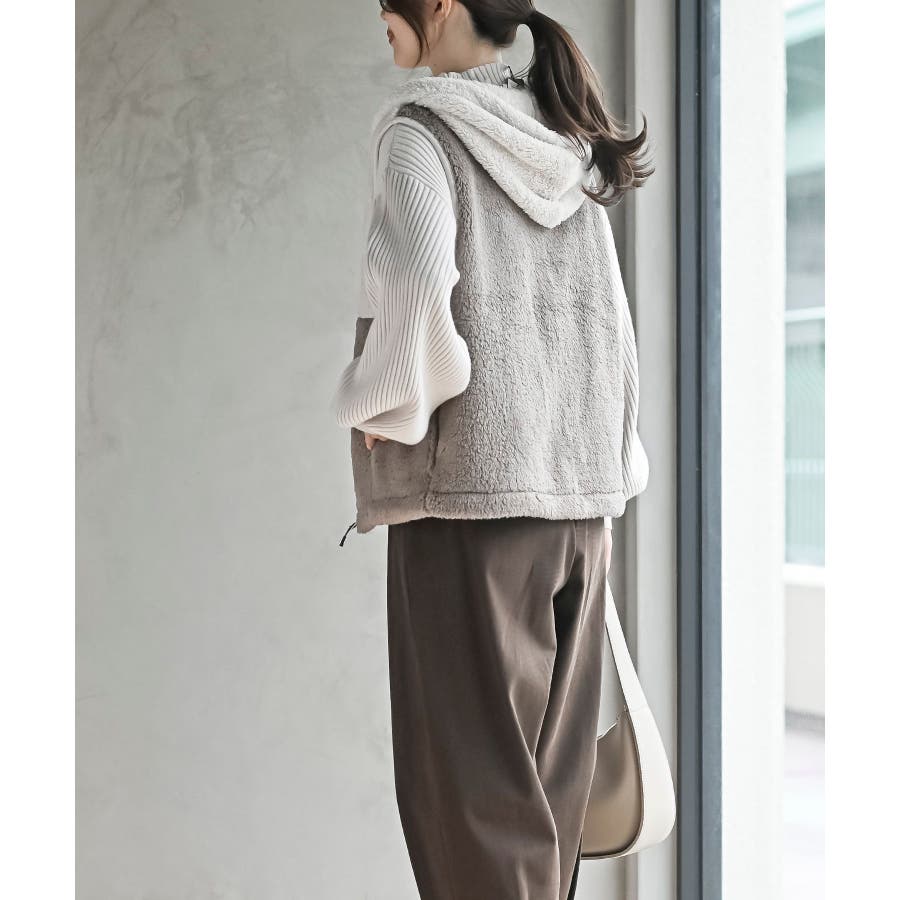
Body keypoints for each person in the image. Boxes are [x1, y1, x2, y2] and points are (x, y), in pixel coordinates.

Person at [330, 2, 654, 897]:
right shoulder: (562, 137)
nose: (380, 17)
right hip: (580, 512)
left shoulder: (422, 134)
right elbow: (610, 323)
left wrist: (378, 405)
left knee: (472, 817)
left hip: (471, 512)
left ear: (437, 6)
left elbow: (416, 296)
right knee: (546, 820)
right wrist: (608, 465)